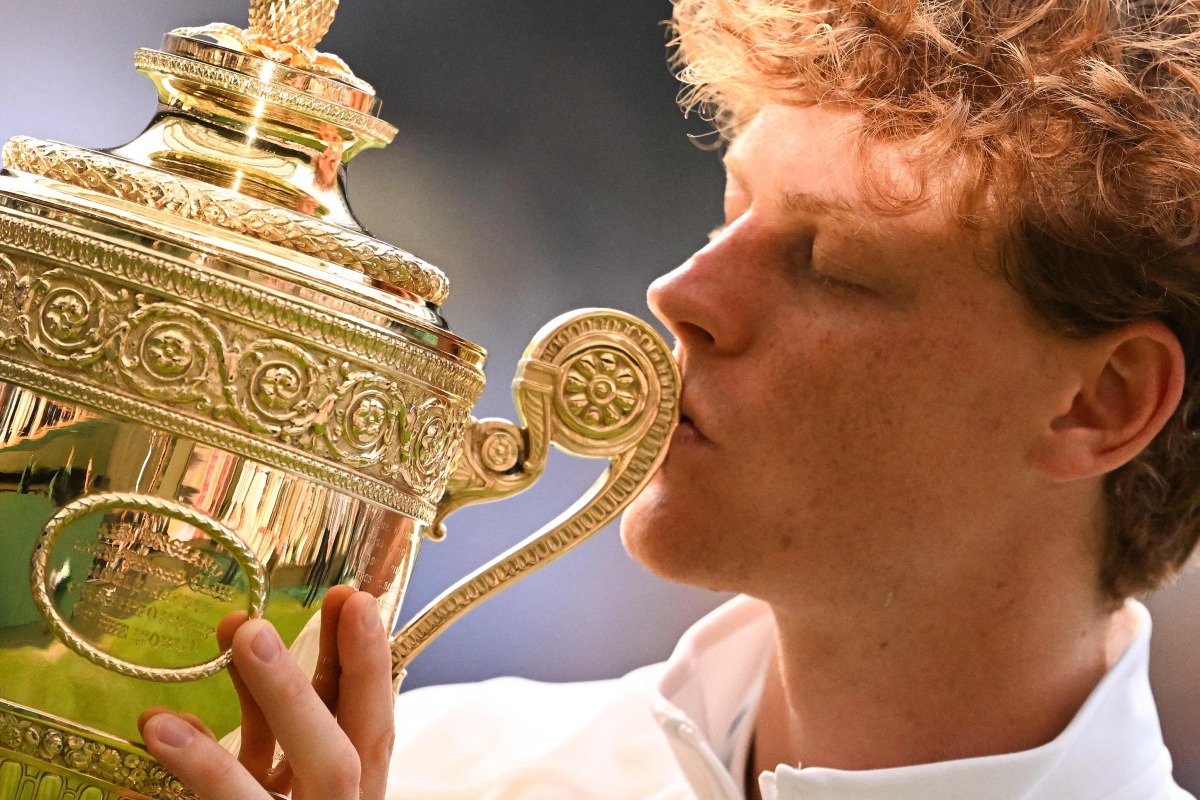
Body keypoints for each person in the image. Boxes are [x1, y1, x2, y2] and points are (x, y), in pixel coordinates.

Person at [137, 0, 1200, 797]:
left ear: (1101, 402)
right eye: (728, 209)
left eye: (833, 262)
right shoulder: (425, 769)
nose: (683, 294)